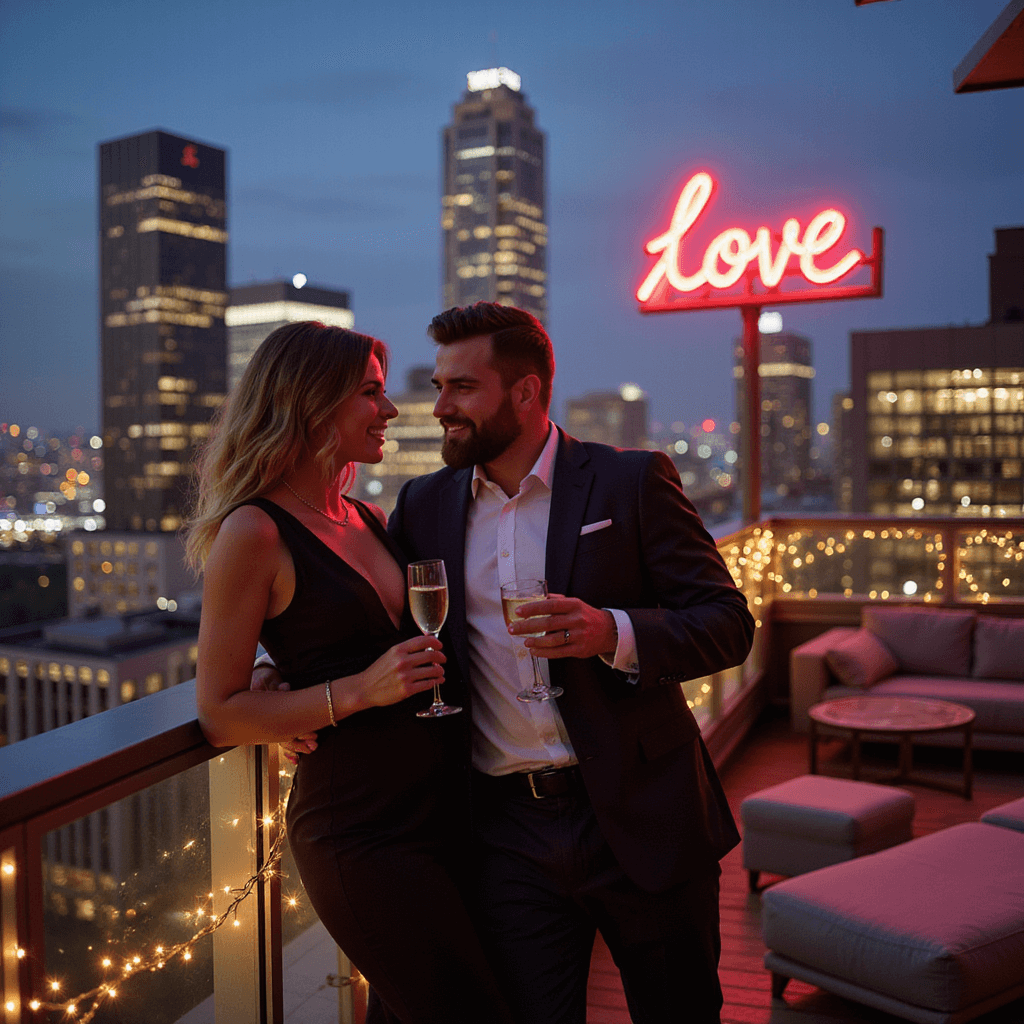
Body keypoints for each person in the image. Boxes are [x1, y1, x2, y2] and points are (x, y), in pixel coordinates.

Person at [384, 302, 756, 1024]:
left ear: (525, 393)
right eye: (438, 386)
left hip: (643, 812)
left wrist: (609, 630)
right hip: (505, 834)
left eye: (461, 388)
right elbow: (375, 614)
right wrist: (280, 672)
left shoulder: (631, 482)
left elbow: (728, 626)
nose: (439, 408)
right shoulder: (423, 503)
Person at [187, 320, 514, 1024]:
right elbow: (218, 710)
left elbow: (315, 635)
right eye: (371, 392)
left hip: (441, 814)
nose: (393, 409)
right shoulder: (254, 530)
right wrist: (356, 691)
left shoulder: (366, 516)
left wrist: (285, 680)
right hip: (360, 831)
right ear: (311, 403)